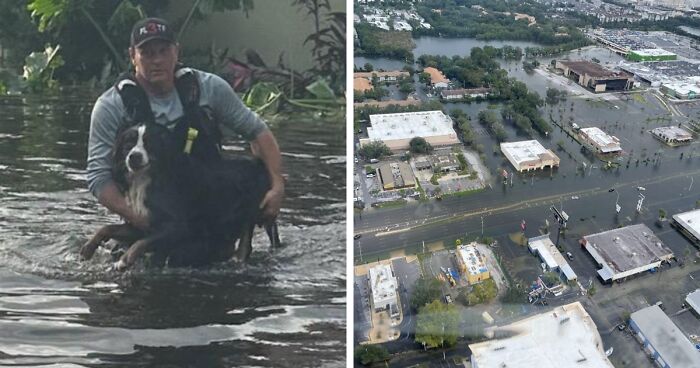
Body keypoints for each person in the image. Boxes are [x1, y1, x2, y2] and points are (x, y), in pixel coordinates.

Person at [87, 17, 284, 232]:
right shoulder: (110, 106)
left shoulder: (209, 88)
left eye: (164, 51)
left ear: (177, 52)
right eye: (148, 53)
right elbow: (98, 177)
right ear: (133, 56)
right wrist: (143, 220)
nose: (157, 60)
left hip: (207, 199)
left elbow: (258, 132)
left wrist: (276, 185)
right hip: (146, 209)